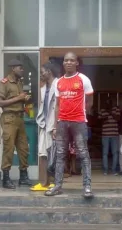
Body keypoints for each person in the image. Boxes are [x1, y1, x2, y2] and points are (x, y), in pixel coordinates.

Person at [44, 52, 94, 198]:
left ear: (77, 63)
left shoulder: (83, 79)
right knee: (60, 155)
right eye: (66, 60)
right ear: (63, 63)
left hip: (79, 122)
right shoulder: (58, 82)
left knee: (83, 154)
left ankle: (87, 186)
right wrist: (55, 125)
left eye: (72, 60)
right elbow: (57, 106)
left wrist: (82, 113)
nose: (69, 62)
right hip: (62, 123)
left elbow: (90, 101)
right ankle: (58, 185)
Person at [0, 59, 32, 189]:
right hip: (9, 118)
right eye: (20, 68)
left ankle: (23, 176)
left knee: (23, 148)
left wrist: (24, 100)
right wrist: (19, 98)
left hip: (20, 118)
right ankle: (6, 178)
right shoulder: (4, 83)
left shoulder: (19, 83)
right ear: (13, 69)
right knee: (9, 148)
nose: (22, 70)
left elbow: (19, 100)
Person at [31, 62, 59, 191]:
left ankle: (54, 182)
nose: (41, 74)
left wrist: (56, 126)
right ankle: (44, 183)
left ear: (49, 71)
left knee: (55, 154)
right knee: (43, 153)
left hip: (55, 125)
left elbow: (60, 107)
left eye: (42, 72)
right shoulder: (43, 88)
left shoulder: (59, 84)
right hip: (44, 125)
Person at [99, 99, 120, 175]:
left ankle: (114, 170)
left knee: (115, 153)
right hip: (105, 135)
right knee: (105, 153)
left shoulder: (116, 109)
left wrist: (110, 112)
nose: (108, 105)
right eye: (107, 104)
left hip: (114, 134)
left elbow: (118, 119)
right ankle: (105, 170)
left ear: (112, 103)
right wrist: (105, 118)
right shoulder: (102, 110)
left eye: (109, 103)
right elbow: (99, 121)